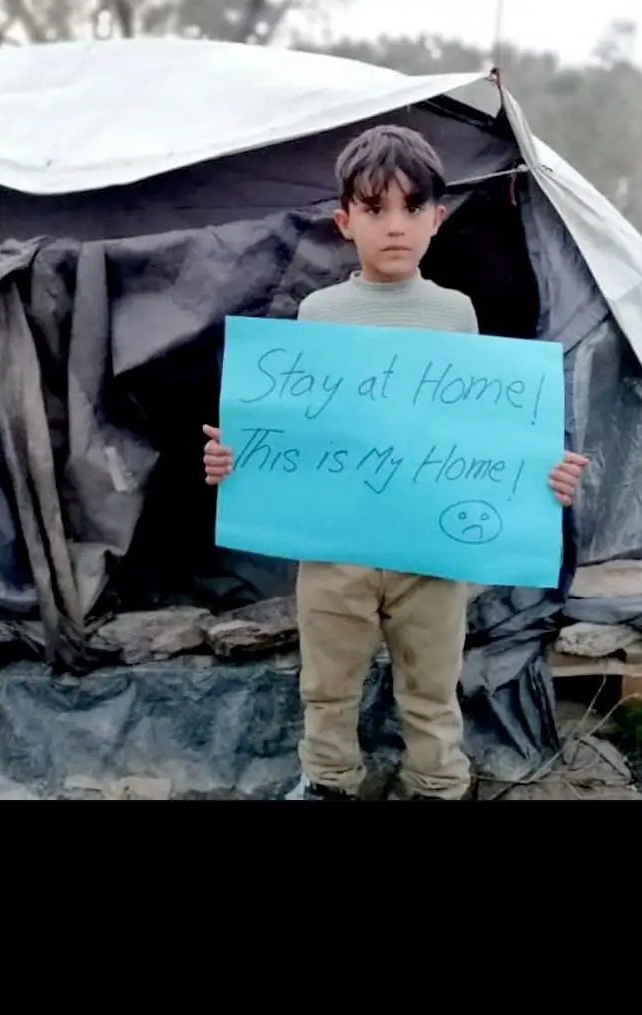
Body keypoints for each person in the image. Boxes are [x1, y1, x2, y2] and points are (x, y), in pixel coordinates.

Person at [203, 124, 588, 801]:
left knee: (432, 687)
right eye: (375, 209)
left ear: (438, 219)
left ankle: (438, 785)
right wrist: (238, 463)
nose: (395, 225)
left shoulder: (455, 314)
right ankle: (330, 782)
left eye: (412, 208)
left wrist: (540, 473)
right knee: (326, 685)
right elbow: (293, 433)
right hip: (335, 552)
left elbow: (480, 433)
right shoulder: (318, 315)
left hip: (431, 554)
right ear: (344, 221)